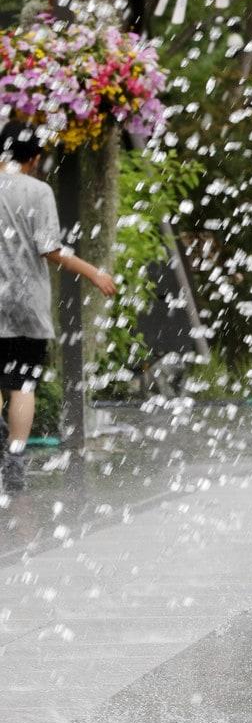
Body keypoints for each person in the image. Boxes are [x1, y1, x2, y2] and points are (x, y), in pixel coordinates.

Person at [0, 122, 116, 491]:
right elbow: (49, 248)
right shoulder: (38, 191)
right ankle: (15, 460)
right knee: (22, 384)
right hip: (27, 303)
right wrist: (94, 272)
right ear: (33, 158)